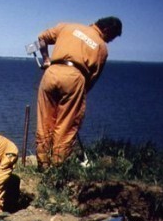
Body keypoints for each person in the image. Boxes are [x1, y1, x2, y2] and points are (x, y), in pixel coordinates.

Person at [35, 16, 122, 168]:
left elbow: (41, 38)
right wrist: (79, 95)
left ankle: (43, 163)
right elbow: (92, 79)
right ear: (107, 30)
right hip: (75, 77)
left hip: (51, 73)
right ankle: (57, 165)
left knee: (45, 120)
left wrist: (46, 58)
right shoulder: (101, 47)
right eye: (111, 38)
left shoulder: (67, 27)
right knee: (66, 124)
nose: (109, 41)